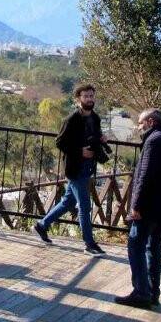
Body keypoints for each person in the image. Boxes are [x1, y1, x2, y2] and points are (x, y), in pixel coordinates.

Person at [115, 109, 161, 309]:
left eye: (140, 123)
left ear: (150, 122)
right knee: (154, 248)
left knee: (135, 245)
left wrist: (136, 206)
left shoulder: (153, 141)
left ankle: (141, 291)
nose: (138, 127)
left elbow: (144, 176)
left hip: (149, 207)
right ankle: (153, 291)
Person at [33, 84, 110, 255]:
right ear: (78, 99)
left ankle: (41, 226)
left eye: (91, 96)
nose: (89, 99)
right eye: (86, 96)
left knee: (68, 202)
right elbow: (60, 142)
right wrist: (80, 150)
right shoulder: (71, 119)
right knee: (84, 206)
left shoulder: (95, 118)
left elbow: (93, 136)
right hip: (75, 168)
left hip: (88, 166)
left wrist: (101, 139)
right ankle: (89, 243)